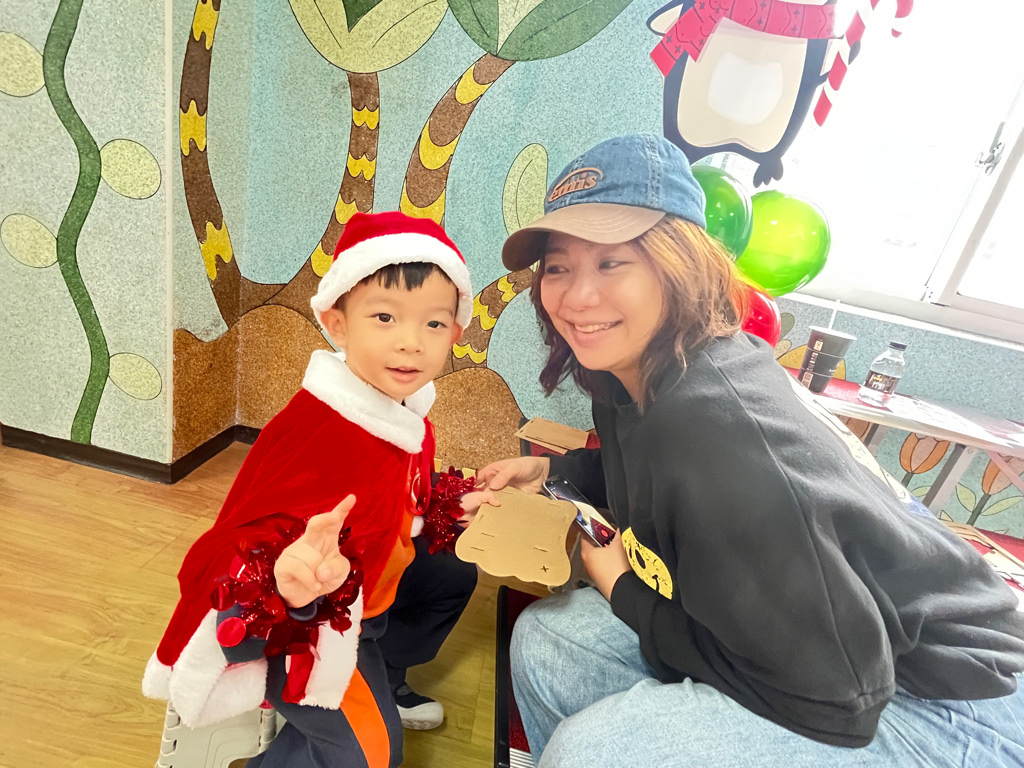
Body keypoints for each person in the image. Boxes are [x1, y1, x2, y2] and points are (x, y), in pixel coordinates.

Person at [477, 134, 1024, 767]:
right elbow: (657, 476)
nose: (576, 297)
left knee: (592, 752)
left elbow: (834, 700)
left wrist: (621, 586)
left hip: (936, 699)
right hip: (834, 650)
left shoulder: (715, 428)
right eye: (558, 266)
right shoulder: (638, 372)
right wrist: (554, 469)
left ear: (679, 263)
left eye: (611, 262)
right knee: (550, 644)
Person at [143, 211, 494, 767]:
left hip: (371, 593)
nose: (411, 343)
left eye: (433, 324)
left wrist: (444, 503)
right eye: (384, 317)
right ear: (337, 324)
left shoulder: (403, 410)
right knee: (371, 755)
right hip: (309, 622)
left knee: (451, 574)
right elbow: (235, 542)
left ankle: (383, 682)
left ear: (454, 333)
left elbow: (404, 492)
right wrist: (286, 579)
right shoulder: (316, 434)